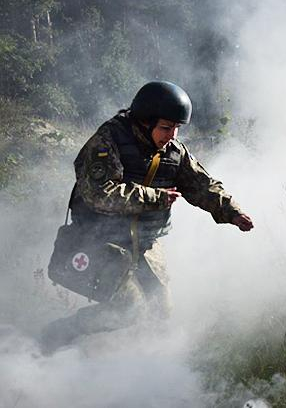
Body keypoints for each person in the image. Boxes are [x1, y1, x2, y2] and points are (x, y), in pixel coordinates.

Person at [41, 81, 253, 352]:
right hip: (101, 241)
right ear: (144, 122)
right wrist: (156, 198)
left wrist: (232, 212)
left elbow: (201, 184)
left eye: (176, 128)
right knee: (128, 309)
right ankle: (59, 335)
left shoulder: (174, 152)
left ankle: (131, 364)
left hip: (146, 244)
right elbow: (98, 193)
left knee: (160, 311)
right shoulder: (108, 141)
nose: (171, 135)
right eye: (165, 127)